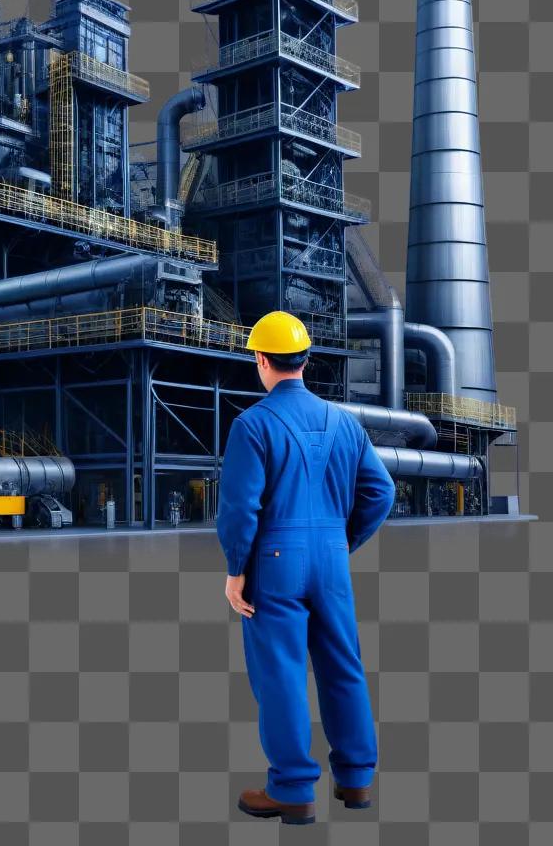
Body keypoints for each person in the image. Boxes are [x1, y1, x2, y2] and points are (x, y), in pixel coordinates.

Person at [216, 311, 395, 825]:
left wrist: (236, 570)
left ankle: (293, 791)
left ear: (261, 360)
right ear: (306, 360)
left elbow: (239, 509)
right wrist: (343, 541)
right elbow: (380, 492)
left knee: (283, 674)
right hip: (332, 562)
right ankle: (357, 781)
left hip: (275, 563)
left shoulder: (252, 425)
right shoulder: (345, 422)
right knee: (344, 667)